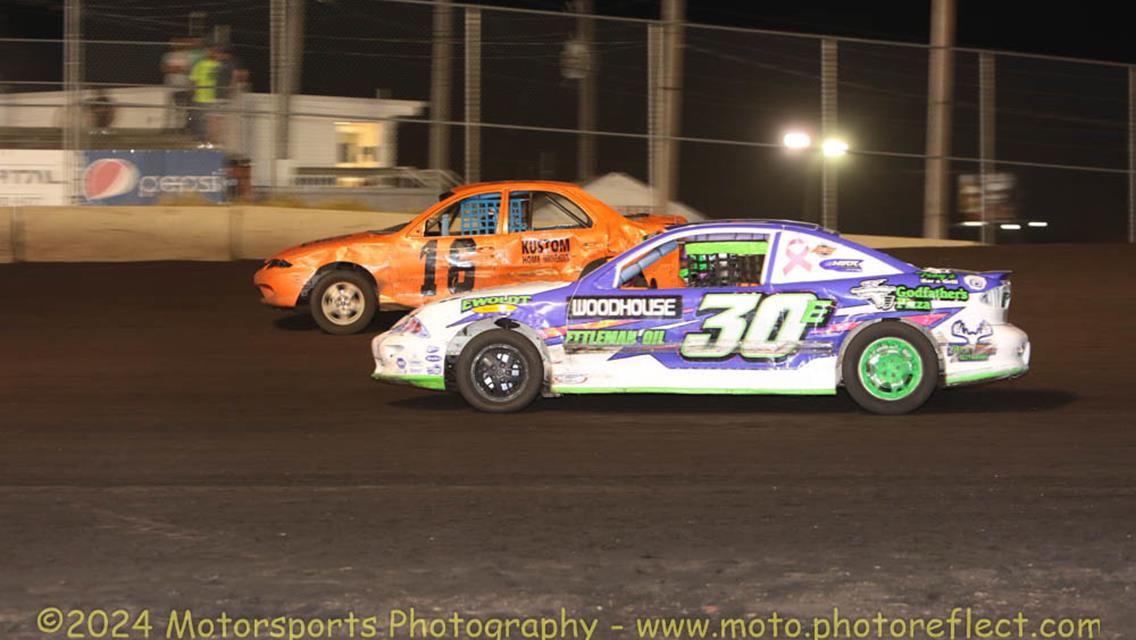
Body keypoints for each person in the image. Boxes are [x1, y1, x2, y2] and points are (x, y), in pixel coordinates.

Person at [188, 44, 221, 145]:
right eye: (209, 51)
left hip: (213, 97)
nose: (211, 53)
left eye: (213, 51)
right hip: (200, 96)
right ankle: (200, 138)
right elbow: (193, 79)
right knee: (199, 118)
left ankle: (211, 138)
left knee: (212, 120)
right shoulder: (200, 64)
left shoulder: (219, 65)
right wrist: (192, 90)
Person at [160, 38, 191, 131]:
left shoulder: (186, 56)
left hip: (183, 85)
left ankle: (181, 127)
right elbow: (164, 69)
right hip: (170, 86)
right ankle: (168, 127)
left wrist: (174, 69)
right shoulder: (167, 55)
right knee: (169, 108)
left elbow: (188, 70)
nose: (175, 44)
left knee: (182, 108)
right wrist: (178, 69)